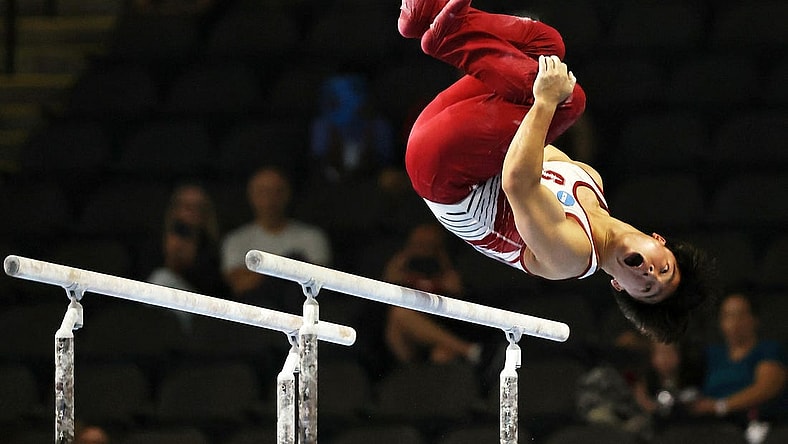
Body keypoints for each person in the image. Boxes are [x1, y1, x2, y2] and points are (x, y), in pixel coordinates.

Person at [398, 0, 716, 343]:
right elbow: (523, 139)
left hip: (444, 174)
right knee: (546, 48)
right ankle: (426, 17)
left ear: (620, 287)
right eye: (664, 268)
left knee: (566, 101)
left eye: (648, 289)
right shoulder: (591, 180)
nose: (650, 274)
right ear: (658, 241)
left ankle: (449, 36)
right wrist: (542, 95)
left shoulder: (572, 255)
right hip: (447, 134)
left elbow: (517, 180)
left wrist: (547, 102)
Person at [221, 166, 331, 310]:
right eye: (263, 192)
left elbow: (318, 284)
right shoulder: (235, 240)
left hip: (302, 309)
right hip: (256, 313)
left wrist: (261, 272)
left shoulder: (312, 237)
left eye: (276, 191)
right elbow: (240, 285)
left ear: (287, 194)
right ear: (251, 195)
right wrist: (290, 265)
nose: (270, 199)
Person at [381, 223, 482, 364]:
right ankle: (469, 350)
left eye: (428, 244)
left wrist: (445, 265)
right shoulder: (401, 271)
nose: (422, 248)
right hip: (408, 340)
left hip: (441, 328)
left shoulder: (447, 271)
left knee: (442, 354)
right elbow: (384, 295)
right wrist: (404, 257)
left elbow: (463, 302)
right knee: (399, 315)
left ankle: (465, 352)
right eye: (418, 243)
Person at [690, 291, 787, 426]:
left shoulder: (768, 350)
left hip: (755, 424)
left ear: (754, 319)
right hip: (711, 426)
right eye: (728, 316)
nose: (735, 322)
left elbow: (766, 387)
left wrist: (720, 406)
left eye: (741, 315)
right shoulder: (711, 354)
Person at [310, 73, 397, 184]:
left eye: (353, 93)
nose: (346, 102)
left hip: (370, 187)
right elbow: (318, 166)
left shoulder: (379, 127)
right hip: (331, 189)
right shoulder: (322, 128)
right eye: (336, 98)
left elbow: (387, 167)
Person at [632, 341, 704, 423]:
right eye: (661, 354)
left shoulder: (694, 378)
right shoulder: (646, 384)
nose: (666, 358)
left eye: (671, 352)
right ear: (652, 358)